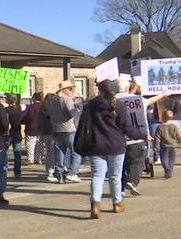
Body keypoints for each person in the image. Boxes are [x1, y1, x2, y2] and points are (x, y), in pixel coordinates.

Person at [83, 79, 128, 219]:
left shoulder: (91, 105)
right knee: (115, 176)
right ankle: (117, 203)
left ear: (99, 90)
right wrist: (141, 134)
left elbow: (84, 124)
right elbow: (125, 126)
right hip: (116, 145)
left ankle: (95, 204)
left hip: (96, 144)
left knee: (97, 176)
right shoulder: (119, 105)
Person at [49, 80, 82, 183]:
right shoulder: (67, 99)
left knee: (60, 152)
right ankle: (72, 173)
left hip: (56, 129)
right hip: (68, 129)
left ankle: (60, 175)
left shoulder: (52, 100)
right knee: (76, 151)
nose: (71, 91)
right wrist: (77, 108)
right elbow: (72, 113)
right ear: (65, 90)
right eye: (70, 89)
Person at [154, 110, 181, 179]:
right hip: (173, 146)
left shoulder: (160, 127)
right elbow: (178, 137)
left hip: (164, 146)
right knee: (171, 161)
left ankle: (167, 169)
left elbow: (157, 138)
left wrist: (156, 146)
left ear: (162, 117)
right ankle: (169, 171)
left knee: (164, 159)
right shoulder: (174, 126)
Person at [20, 92, 43, 164]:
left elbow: (23, 116)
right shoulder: (43, 107)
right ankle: (38, 159)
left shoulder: (30, 107)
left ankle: (30, 159)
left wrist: (23, 121)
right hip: (41, 129)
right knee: (39, 145)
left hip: (31, 129)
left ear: (34, 98)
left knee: (30, 145)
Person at [5, 94, 23, 178]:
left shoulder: (6, 110)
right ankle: (17, 172)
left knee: (3, 152)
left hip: (8, 133)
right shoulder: (19, 109)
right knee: (17, 153)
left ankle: (3, 168)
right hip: (17, 132)